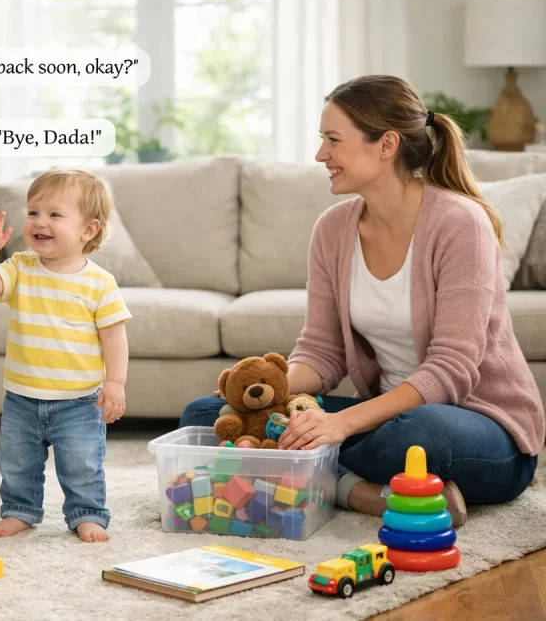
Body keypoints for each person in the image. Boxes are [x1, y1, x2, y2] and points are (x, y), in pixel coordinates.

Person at [180, 75, 543, 527]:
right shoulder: (333, 229)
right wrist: (271, 391)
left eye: (333, 140)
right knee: (207, 414)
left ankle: (309, 477)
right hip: (382, 418)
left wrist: (343, 423)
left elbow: (452, 370)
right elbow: (322, 351)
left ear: (386, 144)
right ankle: (363, 493)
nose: (320, 155)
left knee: (417, 433)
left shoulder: (460, 224)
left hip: (479, 428)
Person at [0, 168, 131, 543]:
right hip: (21, 398)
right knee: (16, 463)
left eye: (55, 215)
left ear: (88, 230)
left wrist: (116, 382)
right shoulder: (21, 267)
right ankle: (20, 510)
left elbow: (114, 336)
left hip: (78, 402)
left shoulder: (99, 283)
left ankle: (87, 513)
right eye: (33, 213)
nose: (40, 222)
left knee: (83, 464)